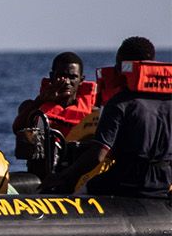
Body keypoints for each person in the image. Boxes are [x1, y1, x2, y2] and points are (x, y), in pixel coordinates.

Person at [45, 37, 169, 198]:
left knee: (78, 194)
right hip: (163, 182)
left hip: (127, 182)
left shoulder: (120, 103)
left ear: (124, 67)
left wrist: (61, 177)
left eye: (117, 64)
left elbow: (98, 155)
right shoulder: (169, 102)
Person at [13, 51, 98, 170]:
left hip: (78, 172)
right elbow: (17, 129)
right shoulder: (32, 107)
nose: (67, 82)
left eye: (72, 77)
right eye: (61, 76)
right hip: (44, 172)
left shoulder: (94, 113)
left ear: (81, 80)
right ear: (52, 76)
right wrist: (41, 100)